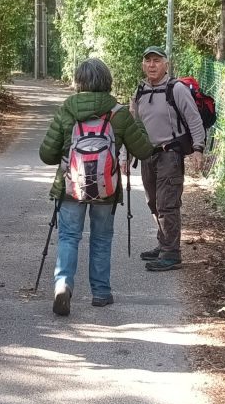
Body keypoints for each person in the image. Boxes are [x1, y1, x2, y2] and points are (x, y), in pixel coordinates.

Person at [39, 58, 154, 316]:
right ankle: (100, 293)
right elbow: (144, 150)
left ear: (79, 82)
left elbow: (46, 155)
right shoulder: (118, 113)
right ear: (107, 81)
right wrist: (139, 124)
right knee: (101, 238)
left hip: (71, 187)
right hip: (106, 189)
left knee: (69, 236)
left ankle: (63, 285)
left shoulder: (67, 110)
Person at [130, 46, 206, 272]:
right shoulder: (140, 90)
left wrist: (198, 148)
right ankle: (164, 244)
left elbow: (194, 119)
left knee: (167, 203)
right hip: (147, 154)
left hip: (170, 155)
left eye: (156, 60)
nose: (151, 65)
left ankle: (171, 253)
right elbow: (133, 125)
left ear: (166, 64)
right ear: (143, 65)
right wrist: (125, 154)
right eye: (148, 61)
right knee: (153, 202)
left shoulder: (177, 89)